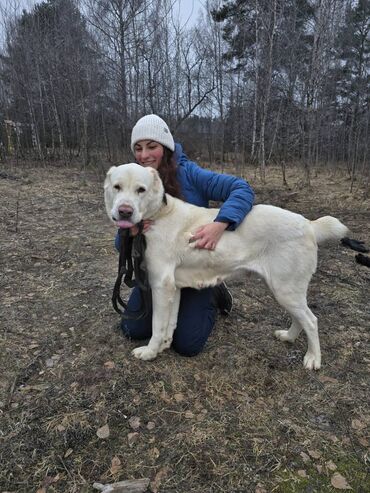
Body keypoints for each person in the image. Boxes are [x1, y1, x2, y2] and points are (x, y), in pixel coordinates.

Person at [115, 114, 255, 356]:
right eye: (138, 148)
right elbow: (122, 245)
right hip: (160, 270)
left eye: (152, 146)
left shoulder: (190, 174)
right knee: (132, 329)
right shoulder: (135, 182)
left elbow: (241, 188)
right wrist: (130, 232)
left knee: (187, 345)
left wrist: (220, 223)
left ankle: (214, 295)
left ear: (166, 147)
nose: (144, 155)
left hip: (196, 266)